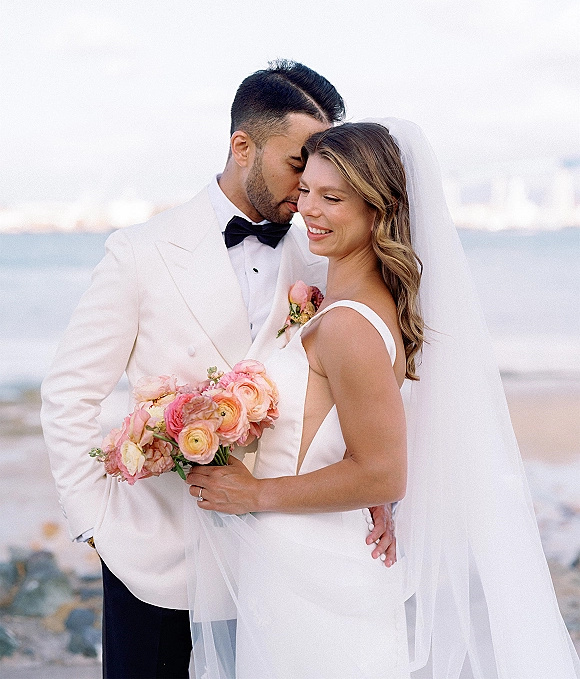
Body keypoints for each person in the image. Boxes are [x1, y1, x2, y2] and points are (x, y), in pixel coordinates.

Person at [186, 120, 580, 679]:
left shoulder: (349, 325)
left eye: (333, 197)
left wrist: (254, 492)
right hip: (296, 559)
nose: (309, 210)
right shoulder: (341, 306)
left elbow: (383, 474)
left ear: (378, 210)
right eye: (306, 192)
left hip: (316, 571)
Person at [40, 61, 396, 679]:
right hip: (158, 560)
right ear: (242, 147)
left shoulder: (318, 253)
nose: (308, 187)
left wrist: (362, 475)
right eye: (297, 165)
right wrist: (93, 527)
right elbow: (69, 394)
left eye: (321, 175)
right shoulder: (141, 252)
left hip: (280, 559)